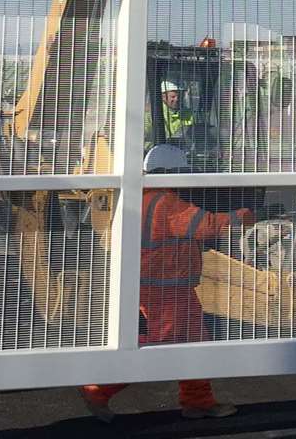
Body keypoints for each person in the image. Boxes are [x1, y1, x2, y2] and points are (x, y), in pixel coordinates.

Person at [80, 144, 255, 423]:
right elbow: (205, 225)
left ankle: (199, 402)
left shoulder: (140, 198)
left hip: (164, 286)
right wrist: (241, 216)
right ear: (170, 172)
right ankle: (98, 387)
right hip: (165, 288)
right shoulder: (165, 202)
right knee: (158, 345)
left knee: (196, 343)